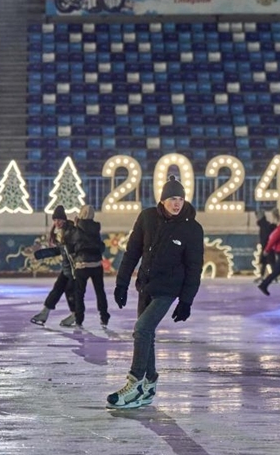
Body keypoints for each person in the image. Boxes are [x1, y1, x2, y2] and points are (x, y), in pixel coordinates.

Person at [108, 175, 204, 409]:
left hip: (169, 290)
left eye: (180, 199)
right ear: (162, 200)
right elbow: (132, 252)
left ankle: (135, 384)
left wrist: (186, 301)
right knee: (147, 334)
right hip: (146, 285)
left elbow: (194, 268)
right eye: (172, 198)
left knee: (141, 329)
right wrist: (121, 283)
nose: (177, 203)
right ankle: (150, 383)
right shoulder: (147, 218)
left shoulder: (192, 228)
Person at [63, 204, 110, 327]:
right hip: (96, 265)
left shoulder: (77, 229)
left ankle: (79, 318)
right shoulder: (96, 228)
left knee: (79, 293)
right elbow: (100, 246)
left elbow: (70, 245)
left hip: (82, 265)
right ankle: (104, 316)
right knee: (100, 291)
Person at [30, 205, 77, 327]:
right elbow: (60, 250)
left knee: (69, 291)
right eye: (55, 220)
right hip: (68, 268)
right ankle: (45, 313)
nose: (57, 222)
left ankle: (76, 315)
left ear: (64, 220)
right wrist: (42, 254)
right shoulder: (61, 233)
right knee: (58, 289)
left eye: (59, 220)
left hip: (75, 269)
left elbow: (71, 250)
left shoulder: (70, 231)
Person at [254, 207, 277, 283]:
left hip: (267, 246)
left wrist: (264, 245)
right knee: (266, 262)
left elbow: (265, 236)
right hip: (268, 246)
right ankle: (265, 276)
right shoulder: (265, 224)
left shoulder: (264, 225)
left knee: (269, 262)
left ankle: (273, 276)